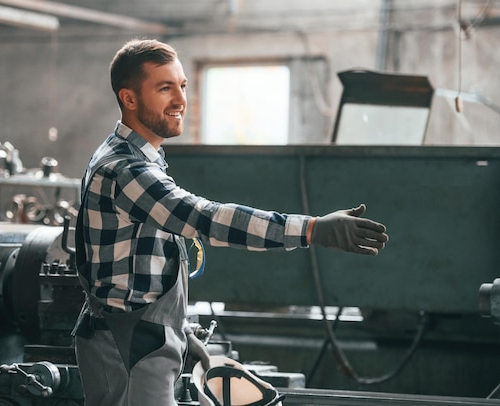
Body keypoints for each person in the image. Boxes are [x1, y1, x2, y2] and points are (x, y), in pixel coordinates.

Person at [71, 38, 389, 406]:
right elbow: (207, 218)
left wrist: (178, 330)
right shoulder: (127, 171)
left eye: (183, 86)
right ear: (129, 98)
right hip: (129, 350)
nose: (180, 100)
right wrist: (312, 229)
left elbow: (135, 270)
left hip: (142, 341)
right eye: (164, 88)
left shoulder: (138, 157)